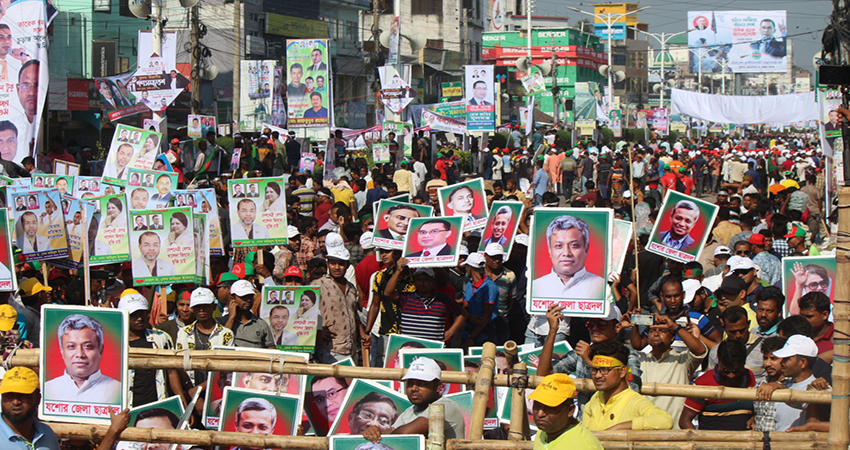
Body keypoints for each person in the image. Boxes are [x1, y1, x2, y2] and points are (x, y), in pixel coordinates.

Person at [361, 357, 465, 441]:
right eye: (410, 384)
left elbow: (405, 434)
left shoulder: (446, 406)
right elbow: (394, 432)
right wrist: (374, 432)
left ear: (438, 387)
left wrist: (383, 433)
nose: (414, 389)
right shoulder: (410, 411)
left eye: (422, 384)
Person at [582, 342, 673, 430]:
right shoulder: (595, 400)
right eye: (594, 370)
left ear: (622, 371)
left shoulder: (635, 402)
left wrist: (622, 427)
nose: (598, 375)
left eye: (605, 370)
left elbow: (665, 420)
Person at [43, 314, 122, 403]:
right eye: (71, 346)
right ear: (62, 351)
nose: (80, 354)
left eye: (88, 346)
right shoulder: (47, 390)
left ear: (100, 350)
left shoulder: (118, 390)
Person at [680, 339, 755, 430]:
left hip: (745, 441)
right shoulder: (703, 383)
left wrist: (754, 418)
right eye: (726, 371)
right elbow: (684, 421)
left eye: (736, 371)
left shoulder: (749, 377)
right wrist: (699, 440)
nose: (731, 376)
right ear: (718, 361)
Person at [531, 215, 605, 299]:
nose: (566, 253)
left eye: (574, 245)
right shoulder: (536, 286)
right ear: (550, 250)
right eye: (559, 246)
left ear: (586, 248)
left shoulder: (601, 286)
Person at [528, 373, 603, 449]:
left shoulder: (583, 446)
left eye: (550, 407)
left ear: (570, 410)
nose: (540, 414)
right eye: (537, 406)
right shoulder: (543, 433)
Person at [0, 367, 60, 450]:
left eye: (23, 395)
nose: (16, 402)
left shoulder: (46, 433)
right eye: (9, 395)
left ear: (38, 399)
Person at [219, 280, 274, 349]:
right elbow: (221, 344)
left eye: (250, 296)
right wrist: (231, 318)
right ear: (232, 298)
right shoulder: (221, 322)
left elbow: (271, 348)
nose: (248, 300)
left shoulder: (261, 324)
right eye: (243, 297)